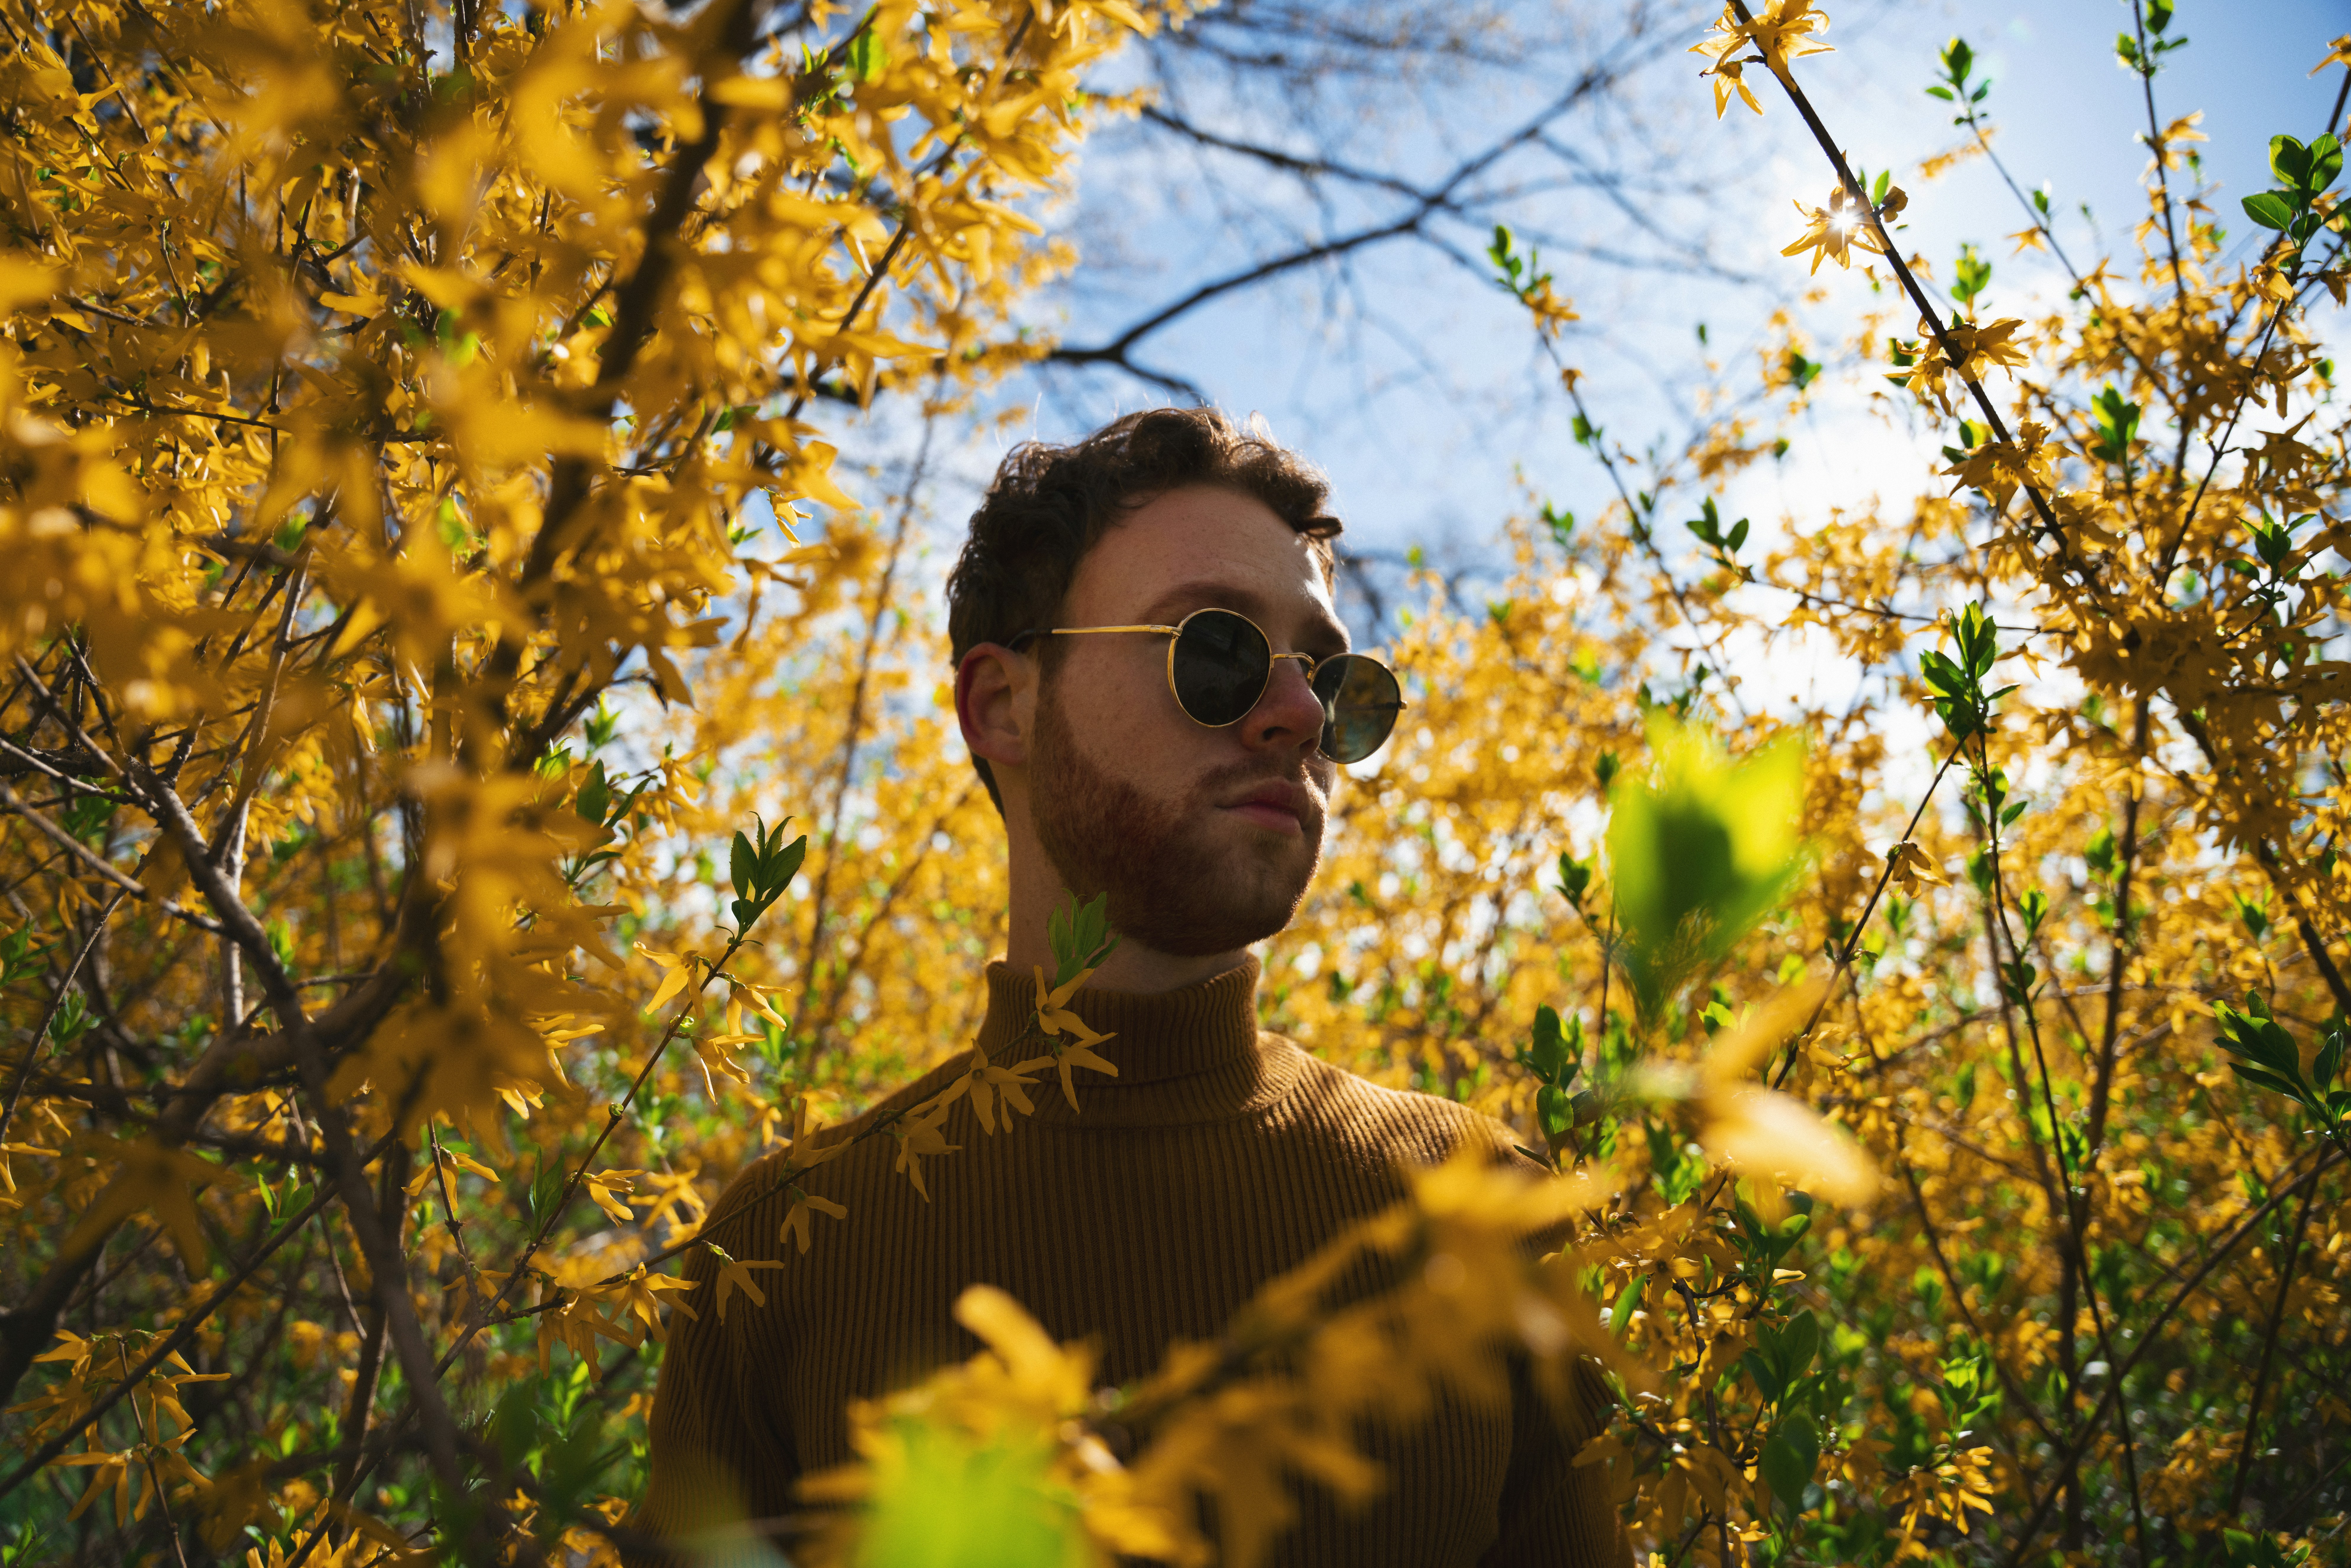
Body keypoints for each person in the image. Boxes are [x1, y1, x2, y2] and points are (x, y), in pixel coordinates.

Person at [631, 407, 1628, 1565]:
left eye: (1333, 678)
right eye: (1214, 651)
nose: (1299, 716)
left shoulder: (1490, 1221)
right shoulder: (783, 1259)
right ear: (1002, 705)